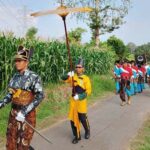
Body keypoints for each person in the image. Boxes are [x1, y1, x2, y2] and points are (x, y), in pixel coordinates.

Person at [0, 46, 44, 150]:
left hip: (27, 116)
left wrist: (24, 111)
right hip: (14, 114)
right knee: (11, 142)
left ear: (26, 62)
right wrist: (1, 103)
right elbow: (11, 94)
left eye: (20, 60)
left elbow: (40, 96)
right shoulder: (15, 77)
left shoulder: (34, 77)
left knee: (23, 144)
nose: (17, 63)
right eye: (16, 60)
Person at [62, 58, 92, 144]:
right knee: (73, 119)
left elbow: (88, 91)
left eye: (80, 67)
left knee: (82, 118)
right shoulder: (73, 76)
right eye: (77, 67)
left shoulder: (86, 78)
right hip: (73, 101)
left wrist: (80, 96)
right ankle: (77, 136)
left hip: (81, 101)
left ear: (83, 68)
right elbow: (63, 78)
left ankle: (87, 130)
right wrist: (67, 75)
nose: (78, 68)